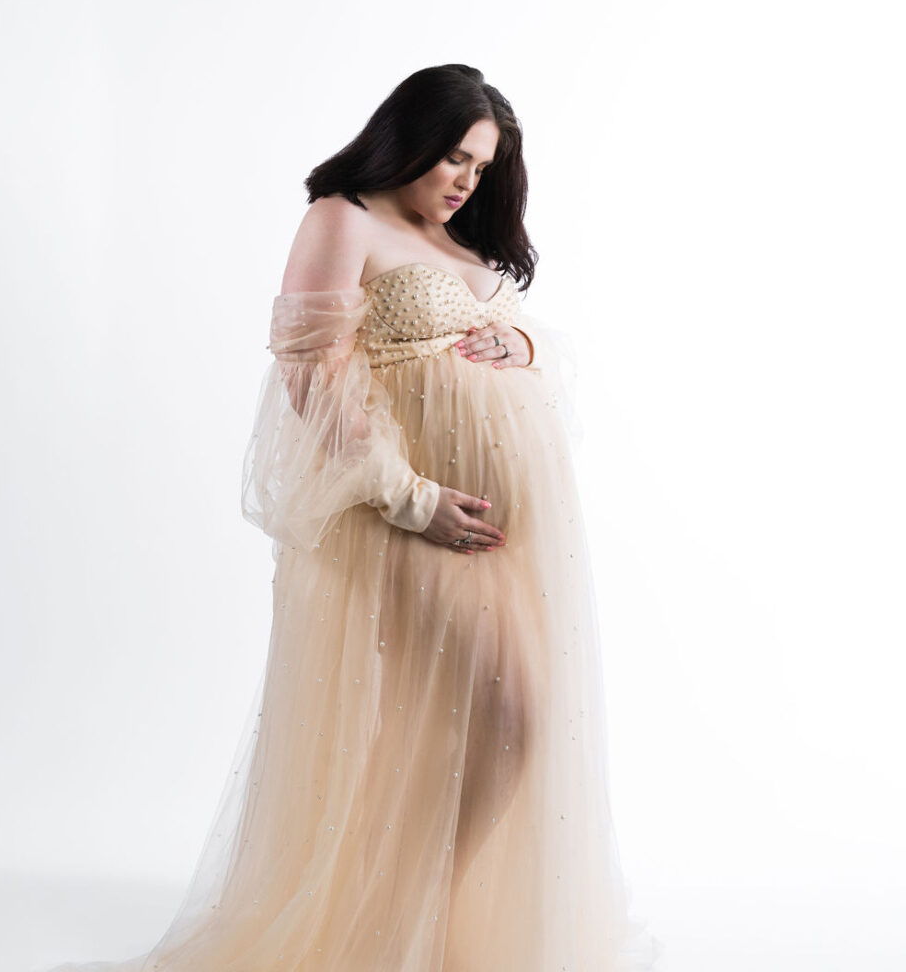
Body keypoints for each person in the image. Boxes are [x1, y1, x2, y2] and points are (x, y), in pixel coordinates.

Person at [46, 63, 660, 971]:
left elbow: (534, 355)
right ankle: (391, 924)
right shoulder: (345, 217)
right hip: (402, 517)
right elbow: (308, 375)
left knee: (502, 726)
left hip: (496, 527)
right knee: (507, 716)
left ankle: (416, 920)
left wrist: (521, 339)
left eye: (481, 168)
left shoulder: (462, 247)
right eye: (453, 156)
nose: (465, 181)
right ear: (407, 136)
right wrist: (413, 501)